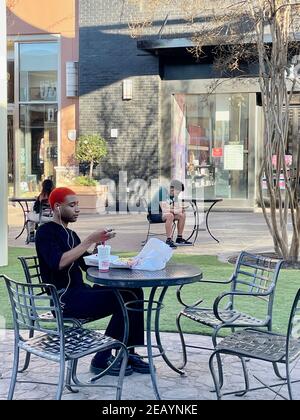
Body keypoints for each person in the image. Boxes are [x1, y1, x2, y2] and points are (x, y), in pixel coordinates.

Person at [35, 187, 150, 376]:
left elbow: (85, 265)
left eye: (77, 205)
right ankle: (101, 359)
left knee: (134, 292)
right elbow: (58, 263)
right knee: (124, 299)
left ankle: (128, 353)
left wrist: (97, 246)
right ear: (57, 207)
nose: (77, 209)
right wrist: (88, 240)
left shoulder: (71, 235)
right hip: (65, 300)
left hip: (81, 292)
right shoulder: (45, 232)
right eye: (72, 205)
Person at [148, 179, 192, 249]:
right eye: (178, 192)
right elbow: (165, 209)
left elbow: (177, 207)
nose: (179, 194)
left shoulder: (174, 195)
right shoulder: (162, 192)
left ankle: (179, 238)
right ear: (172, 189)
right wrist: (178, 210)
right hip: (154, 214)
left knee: (182, 215)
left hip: (164, 213)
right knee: (170, 215)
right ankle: (169, 240)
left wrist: (181, 209)